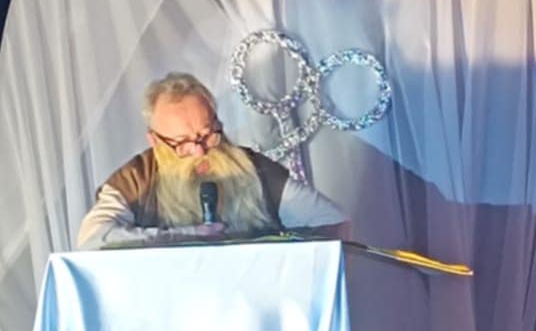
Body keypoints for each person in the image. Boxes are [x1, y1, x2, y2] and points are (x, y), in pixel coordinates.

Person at [77, 71, 344, 248]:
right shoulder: (136, 179)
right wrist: (188, 237)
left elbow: (332, 223)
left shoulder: (254, 168)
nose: (200, 151)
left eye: (207, 135)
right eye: (182, 143)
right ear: (155, 140)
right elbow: (93, 240)